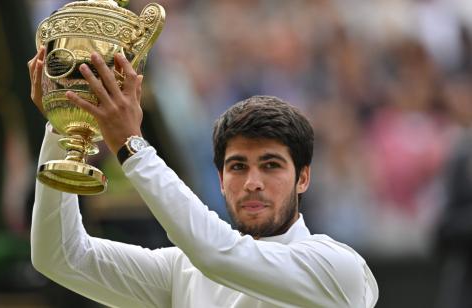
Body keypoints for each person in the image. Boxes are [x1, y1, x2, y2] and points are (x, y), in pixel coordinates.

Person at [28, 48, 379, 307]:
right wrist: (66, 123)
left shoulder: (340, 268)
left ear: (303, 179)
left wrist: (132, 147)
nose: (253, 182)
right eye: (238, 166)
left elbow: (216, 254)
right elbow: (59, 255)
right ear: (221, 179)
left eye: (271, 165)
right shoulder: (184, 270)